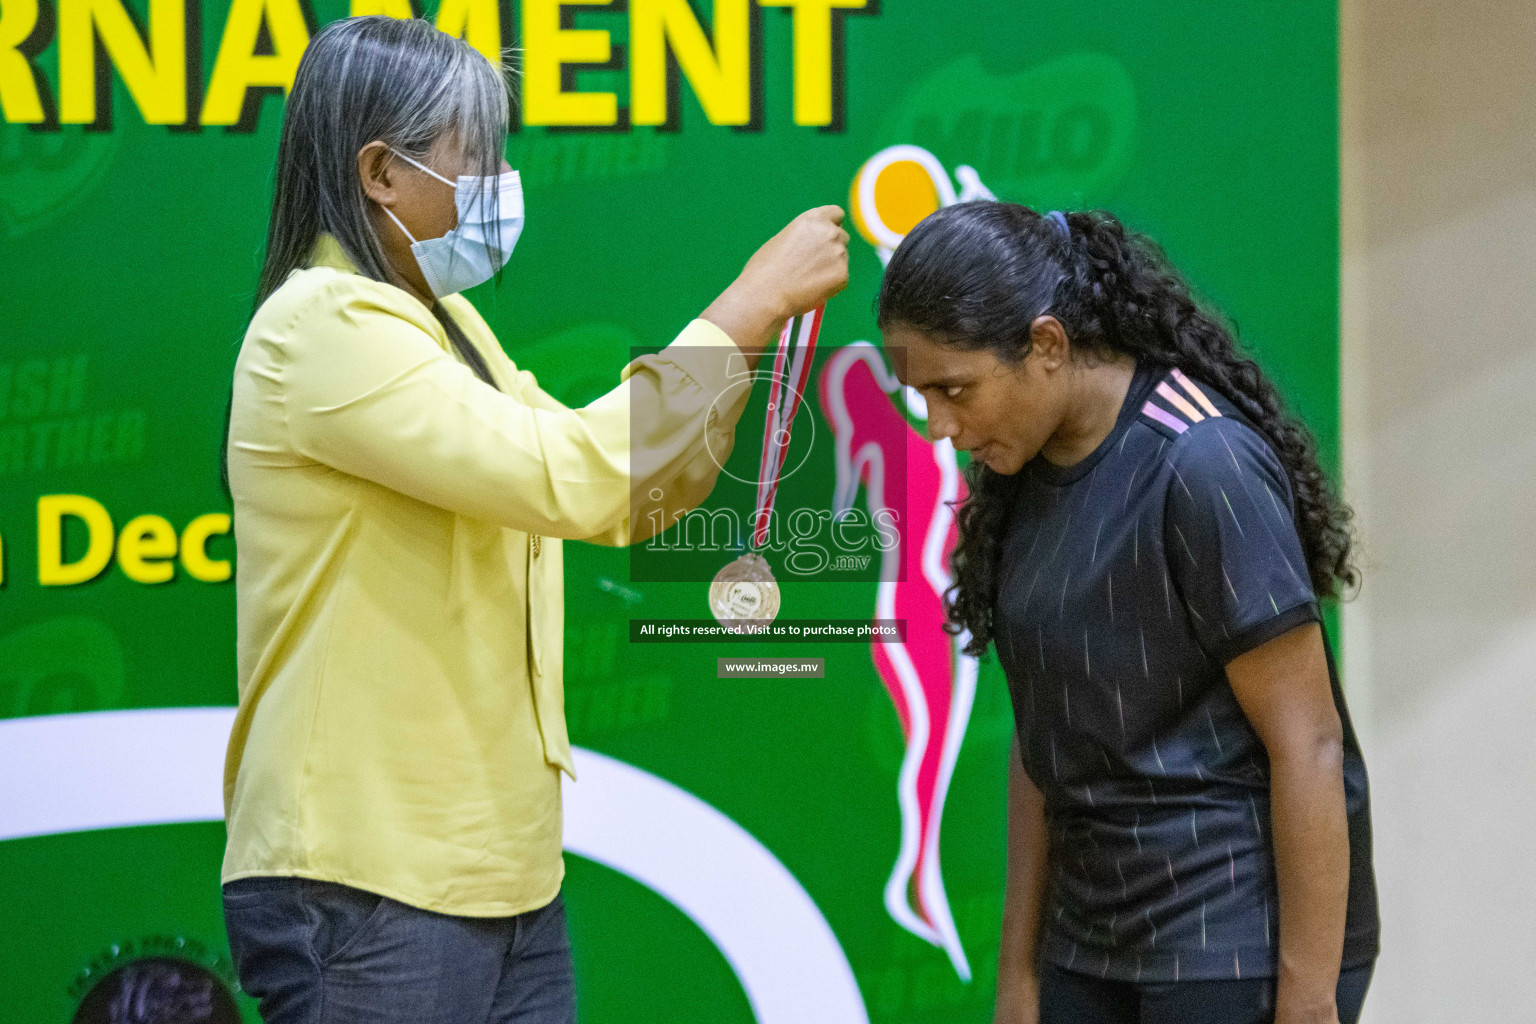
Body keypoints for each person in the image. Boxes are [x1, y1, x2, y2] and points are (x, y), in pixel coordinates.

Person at [219, 16, 848, 1024]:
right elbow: (585, 473)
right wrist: (745, 307)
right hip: (369, 877)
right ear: (382, 172)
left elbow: (631, 491)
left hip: (506, 873)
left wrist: (736, 360)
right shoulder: (326, 326)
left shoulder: (444, 322)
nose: (499, 182)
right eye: (475, 156)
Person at [877, 203, 1378, 1024]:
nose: (939, 424)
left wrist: (1309, 1001)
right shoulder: (1020, 474)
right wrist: (1019, 976)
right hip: (1088, 940)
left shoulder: (1202, 459)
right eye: (922, 394)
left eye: (954, 389)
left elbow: (1310, 742)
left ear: (1046, 345)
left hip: (1237, 941)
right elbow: (1044, 744)